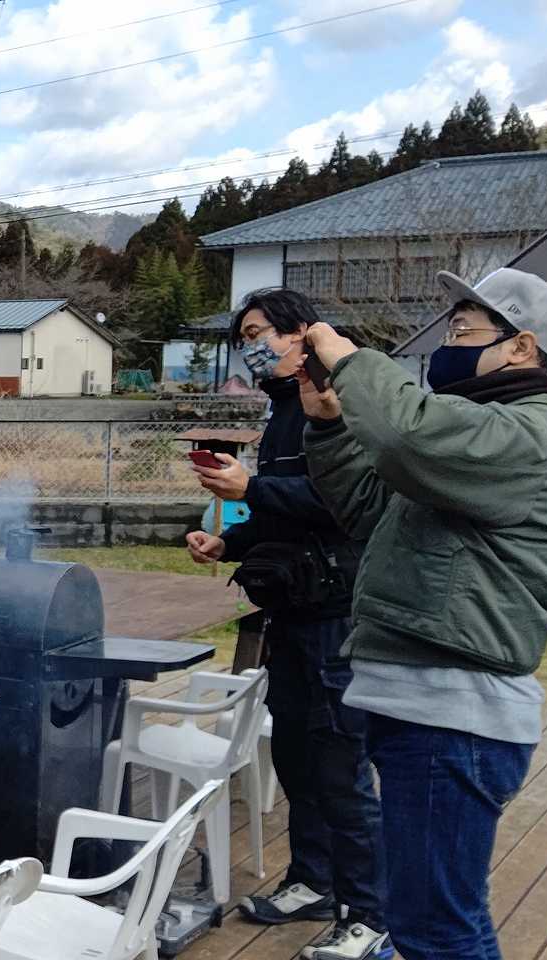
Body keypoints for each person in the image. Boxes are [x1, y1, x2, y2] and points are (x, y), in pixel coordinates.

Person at [302, 267, 547, 960]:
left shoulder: (527, 436)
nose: (445, 344)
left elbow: (403, 435)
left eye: (462, 330)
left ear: (521, 347)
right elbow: (371, 510)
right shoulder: (475, 441)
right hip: (427, 709)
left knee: (437, 929)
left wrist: (350, 360)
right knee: (428, 919)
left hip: (454, 715)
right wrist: (331, 427)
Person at [183, 292, 387, 959]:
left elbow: (344, 503)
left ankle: (371, 913)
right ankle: (313, 880)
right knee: (297, 756)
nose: (251, 347)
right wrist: (230, 542)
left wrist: (252, 491)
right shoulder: (280, 411)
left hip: (336, 612)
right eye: (243, 338)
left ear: (302, 332)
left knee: (341, 764)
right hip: (291, 610)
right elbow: (280, 510)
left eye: (258, 333)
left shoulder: (340, 402)